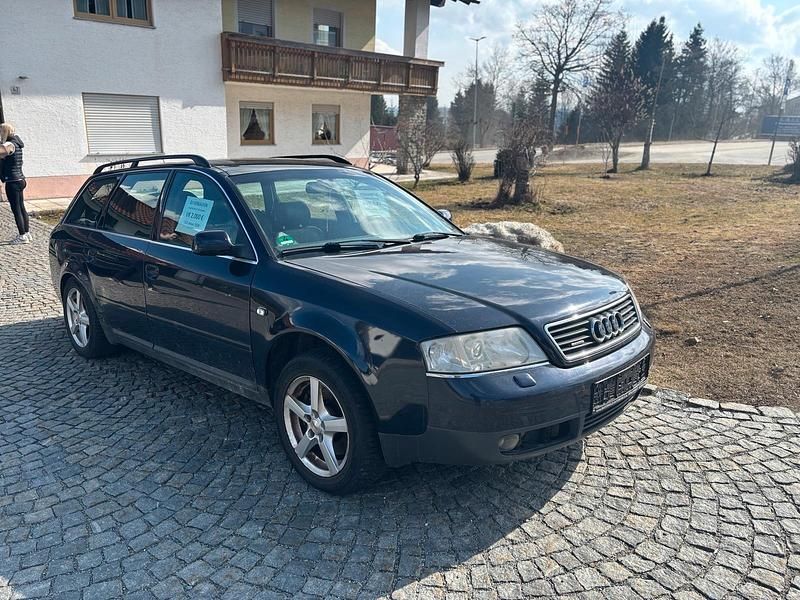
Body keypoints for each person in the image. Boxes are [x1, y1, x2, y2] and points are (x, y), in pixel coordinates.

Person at [0, 123, 30, 244]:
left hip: (12, 181)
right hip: (20, 179)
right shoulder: (17, 143)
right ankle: (27, 233)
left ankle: (22, 236)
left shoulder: (9, 144)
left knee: (16, 209)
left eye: (1, 131)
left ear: (5, 132)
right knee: (22, 208)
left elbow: (3, 151)